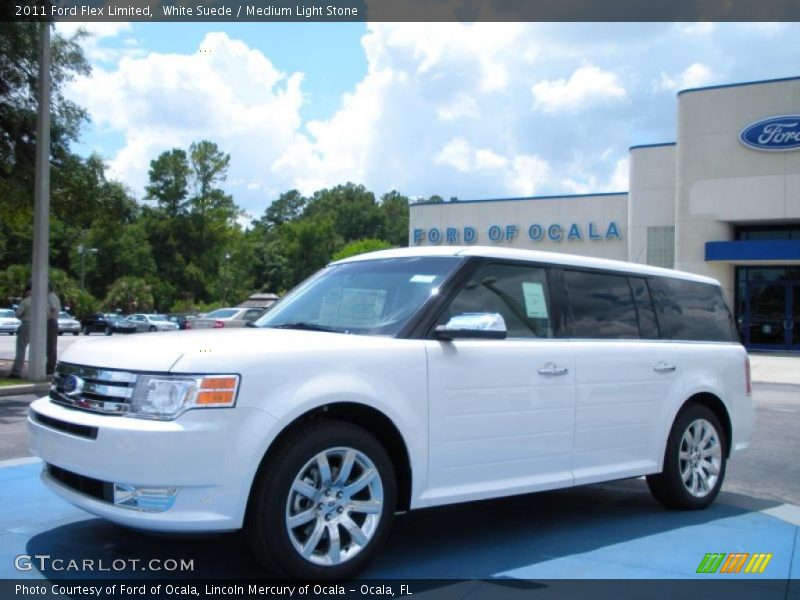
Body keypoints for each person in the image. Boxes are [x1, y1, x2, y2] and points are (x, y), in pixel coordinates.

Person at [10, 285, 31, 379]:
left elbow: (18, 314)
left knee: (21, 349)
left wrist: (23, 317)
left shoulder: (25, 301)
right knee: (38, 350)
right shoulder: (43, 302)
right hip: (40, 327)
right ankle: (37, 370)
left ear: (28, 291)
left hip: (26, 325)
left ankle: (17, 372)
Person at [47, 283, 61, 375]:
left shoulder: (50, 296)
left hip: (51, 321)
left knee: (50, 346)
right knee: (51, 345)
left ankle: (50, 368)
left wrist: (47, 316)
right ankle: (50, 366)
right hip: (53, 321)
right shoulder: (54, 296)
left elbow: (53, 307)